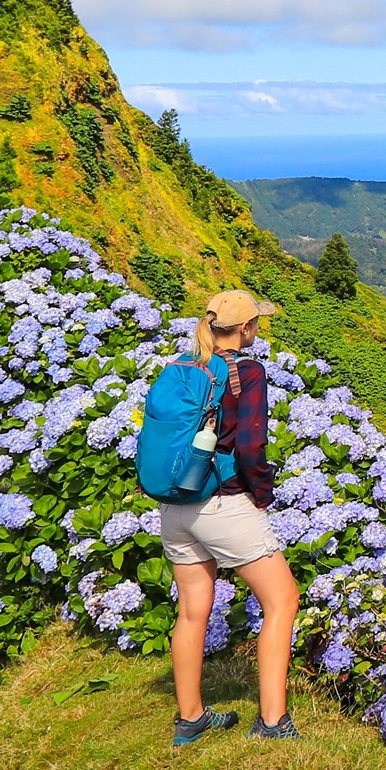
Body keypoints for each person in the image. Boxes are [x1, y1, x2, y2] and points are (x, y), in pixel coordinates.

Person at [156, 288, 302, 747]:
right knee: (283, 601)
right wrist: (261, 495)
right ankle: (273, 723)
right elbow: (251, 447)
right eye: (256, 323)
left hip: (175, 504)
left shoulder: (185, 364)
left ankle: (191, 719)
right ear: (244, 329)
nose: (258, 329)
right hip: (222, 503)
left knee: (192, 611)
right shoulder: (246, 371)